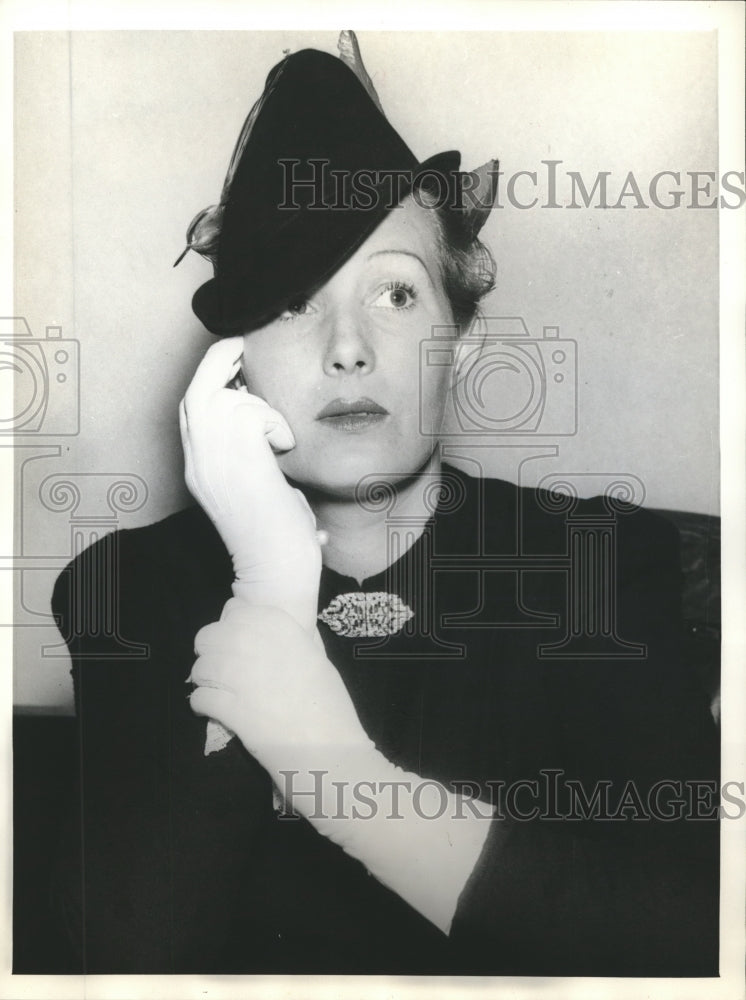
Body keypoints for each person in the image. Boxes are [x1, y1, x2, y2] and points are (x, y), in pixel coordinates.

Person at [51, 33, 718, 976]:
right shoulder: (129, 589)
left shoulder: (597, 564)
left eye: (396, 294)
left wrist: (342, 779)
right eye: (294, 301)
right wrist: (271, 588)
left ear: (460, 343)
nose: (348, 347)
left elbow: (697, 937)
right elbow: (126, 963)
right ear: (231, 366)